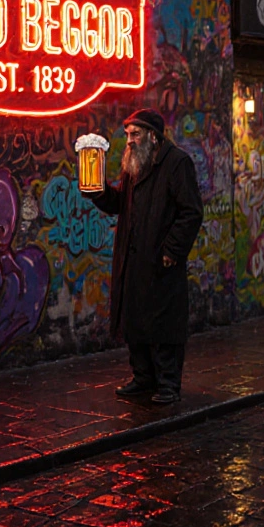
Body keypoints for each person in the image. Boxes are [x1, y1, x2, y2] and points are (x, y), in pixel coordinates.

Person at [84, 109, 204, 405]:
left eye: (135, 135)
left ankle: (167, 384)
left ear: (153, 135)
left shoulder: (177, 163)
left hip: (161, 259)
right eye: (127, 136)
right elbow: (120, 204)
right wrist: (97, 191)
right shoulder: (133, 164)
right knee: (135, 318)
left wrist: (171, 251)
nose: (129, 141)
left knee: (163, 323)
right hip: (133, 258)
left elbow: (191, 212)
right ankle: (143, 377)